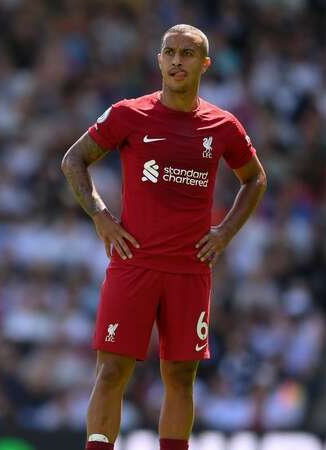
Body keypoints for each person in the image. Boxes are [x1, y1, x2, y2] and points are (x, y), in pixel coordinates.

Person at [60, 24, 267, 450]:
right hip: (133, 261)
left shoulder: (222, 126)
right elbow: (74, 159)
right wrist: (101, 216)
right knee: (113, 370)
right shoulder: (128, 114)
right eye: (169, 52)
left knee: (179, 375)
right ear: (158, 60)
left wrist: (224, 233)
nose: (176, 60)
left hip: (189, 269)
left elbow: (255, 179)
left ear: (204, 64)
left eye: (187, 54)